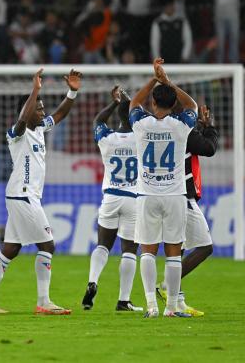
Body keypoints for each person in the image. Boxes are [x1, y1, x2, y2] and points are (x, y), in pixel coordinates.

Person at [0, 67, 81, 315]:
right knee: (48, 245)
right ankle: (43, 302)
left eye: (43, 108)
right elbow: (22, 120)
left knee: (11, 249)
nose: (43, 112)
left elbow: (60, 113)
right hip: (22, 195)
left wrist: (72, 93)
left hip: (24, 196)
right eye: (39, 108)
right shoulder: (16, 134)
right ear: (28, 110)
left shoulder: (41, 129)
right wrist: (34, 91)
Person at [129, 58, 197, 318]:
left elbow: (134, 103)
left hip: (147, 195)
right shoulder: (181, 126)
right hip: (175, 196)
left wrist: (153, 79)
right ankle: (170, 308)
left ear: (153, 103)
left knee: (147, 250)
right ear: (171, 104)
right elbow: (191, 105)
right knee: (173, 253)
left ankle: (151, 306)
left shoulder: (141, 124)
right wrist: (167, 80)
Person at [81, 86, 142, 312]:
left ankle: (92, 280)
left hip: (111, 198)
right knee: (128, 250)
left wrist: (115, 103)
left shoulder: (107, 138)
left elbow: (98, 120)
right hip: (134, 199)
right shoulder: (142, 138)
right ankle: (123, 300)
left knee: (103, 245)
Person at [156, 104, 218, 317]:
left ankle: (176, 300)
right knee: (205, 246)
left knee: (178, 247)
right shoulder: (183, 131)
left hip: (164, 193)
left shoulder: (164, 130)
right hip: (182, 196)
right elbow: (209, 148)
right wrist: (209, 127)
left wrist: (199, 129)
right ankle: (167, 285)